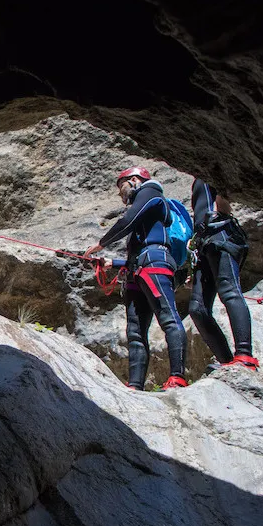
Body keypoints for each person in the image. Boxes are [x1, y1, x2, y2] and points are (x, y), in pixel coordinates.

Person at [84, 166, 188, 391]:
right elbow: (139, 246)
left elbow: (128, 221)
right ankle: (135, 385)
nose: (121, 195)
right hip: (140, 267)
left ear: (133, 179)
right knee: (135, 331)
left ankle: (177, 377)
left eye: (121, 187)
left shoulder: (151, 193)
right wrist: (112, 263)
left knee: (168, 318)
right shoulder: (145, 204)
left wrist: (101, 243)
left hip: (154, 262)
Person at [188, 177, 257, 371]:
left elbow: (227, 187)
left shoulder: (210, 166)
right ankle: (227, 363)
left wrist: (221, 212)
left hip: (220, 233)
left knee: (229, 291)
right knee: (197, 309)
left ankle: (244, 355)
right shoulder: (198, 179)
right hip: (205, 242)